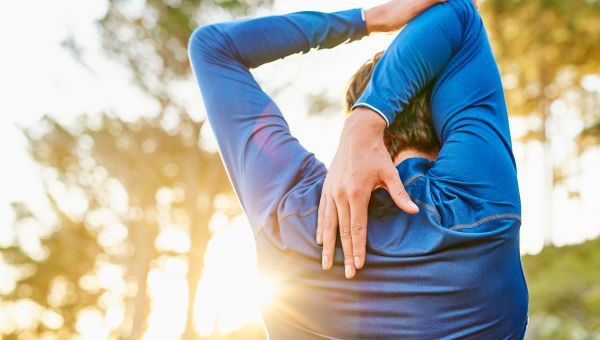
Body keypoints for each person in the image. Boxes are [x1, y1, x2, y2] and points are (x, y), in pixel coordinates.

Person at [188, 0, 528, 338]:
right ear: (446, 118)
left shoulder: (291, 215)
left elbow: (214, 48)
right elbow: (459, 13)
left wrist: (368, 20)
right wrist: (369, 116)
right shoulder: (479, 203)